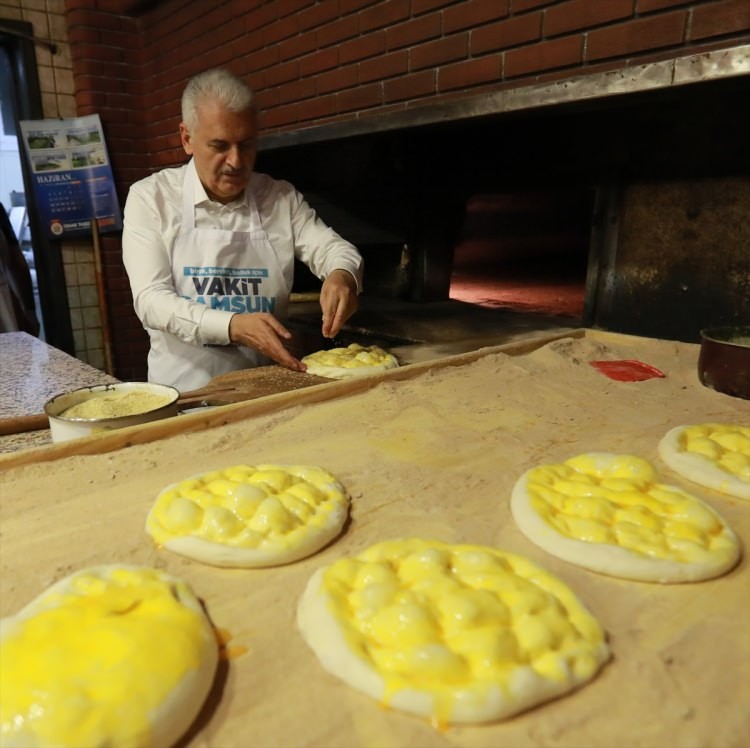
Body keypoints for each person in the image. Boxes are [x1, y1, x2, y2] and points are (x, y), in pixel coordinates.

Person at [122, 68, 363, 391]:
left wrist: (342, 275)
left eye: (246, 145)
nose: (236, 161)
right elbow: (151, 300)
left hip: (267, 390)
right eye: (219, 146)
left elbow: (337, 250)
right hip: (186, 395)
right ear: (186, 138)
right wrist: (232, 325)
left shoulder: (279, 197)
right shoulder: (151, 198)